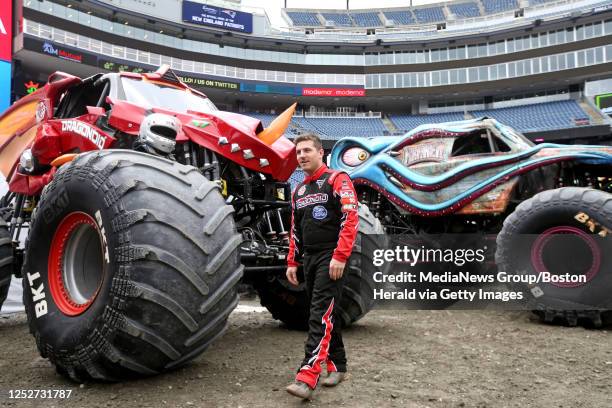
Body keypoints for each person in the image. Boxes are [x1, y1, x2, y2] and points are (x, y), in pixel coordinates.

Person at [285, 133, 359, 400]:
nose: (301, 156)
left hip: (332, 258)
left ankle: (307, 376)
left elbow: (351, 218)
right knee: (327, 312)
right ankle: (337, 365)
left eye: (306, 150)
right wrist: (293, 261)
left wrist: (340, 256)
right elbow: (295, 229)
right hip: (309, 260)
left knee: (319, 314)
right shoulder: (299, 190)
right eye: (298, 152)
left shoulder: (338, 179)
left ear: (320, 153)